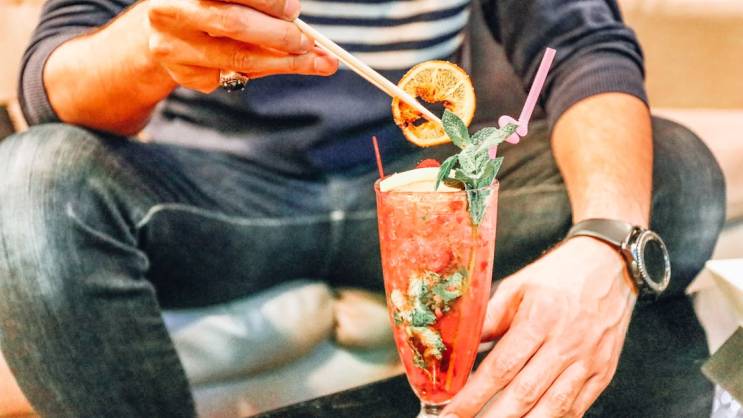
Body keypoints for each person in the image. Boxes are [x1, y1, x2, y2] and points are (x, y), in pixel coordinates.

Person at [0, 0, 725, 417]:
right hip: (214, 200)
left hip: (425, 187)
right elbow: (48, 88)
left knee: (672, 177)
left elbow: (584, 44)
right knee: (30, 182)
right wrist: (144, 46)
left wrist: (605, 244)